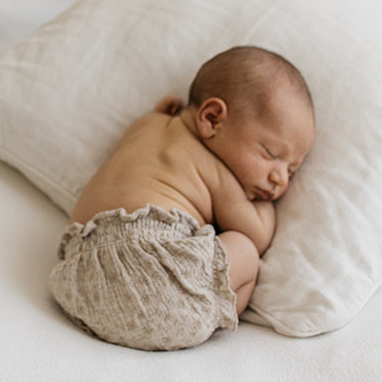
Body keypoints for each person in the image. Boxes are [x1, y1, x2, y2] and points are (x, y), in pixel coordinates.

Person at [48, 45, 316, 351]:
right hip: (162, 291)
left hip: (81, 280)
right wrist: (265, 205)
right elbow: (258, 234)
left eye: (291, 170)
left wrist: (160, 112)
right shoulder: (217, 172)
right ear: (211, 119)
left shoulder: (145, 125)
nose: (280, 179)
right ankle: (208, 317)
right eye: (270, 154)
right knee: (244, 248)